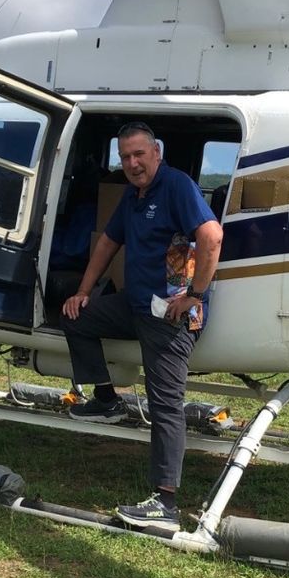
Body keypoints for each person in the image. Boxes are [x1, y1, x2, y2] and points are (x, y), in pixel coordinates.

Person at [60, 121, 223, 532]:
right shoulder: (134, 196)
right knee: (74, 316)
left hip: (170, 315)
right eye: (125, 157)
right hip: (136, 306)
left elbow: (211, 237)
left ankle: (164, 506)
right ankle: (106, 399)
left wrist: (194, 297)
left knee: (165, 403)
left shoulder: (177, 186)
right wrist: (83, 291)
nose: (132, 163)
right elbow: (107, 243)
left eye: (139, 155)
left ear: (157, 153)